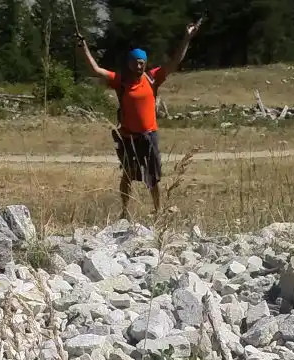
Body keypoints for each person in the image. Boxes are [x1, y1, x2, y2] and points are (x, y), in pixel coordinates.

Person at [76, 20, 202, 220]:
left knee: (152, 177)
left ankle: (157, 211)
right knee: (127, 175)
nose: (139, 65)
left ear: (146, 63)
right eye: (136, 62)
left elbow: (175, 61)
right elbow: (96, 70)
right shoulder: (121, 81)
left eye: (142, 62)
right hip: (128, 137)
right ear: (129, 63)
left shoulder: (153, 78)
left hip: (149, 136)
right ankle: (125, 212)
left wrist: (187, 38)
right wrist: (84, 50)